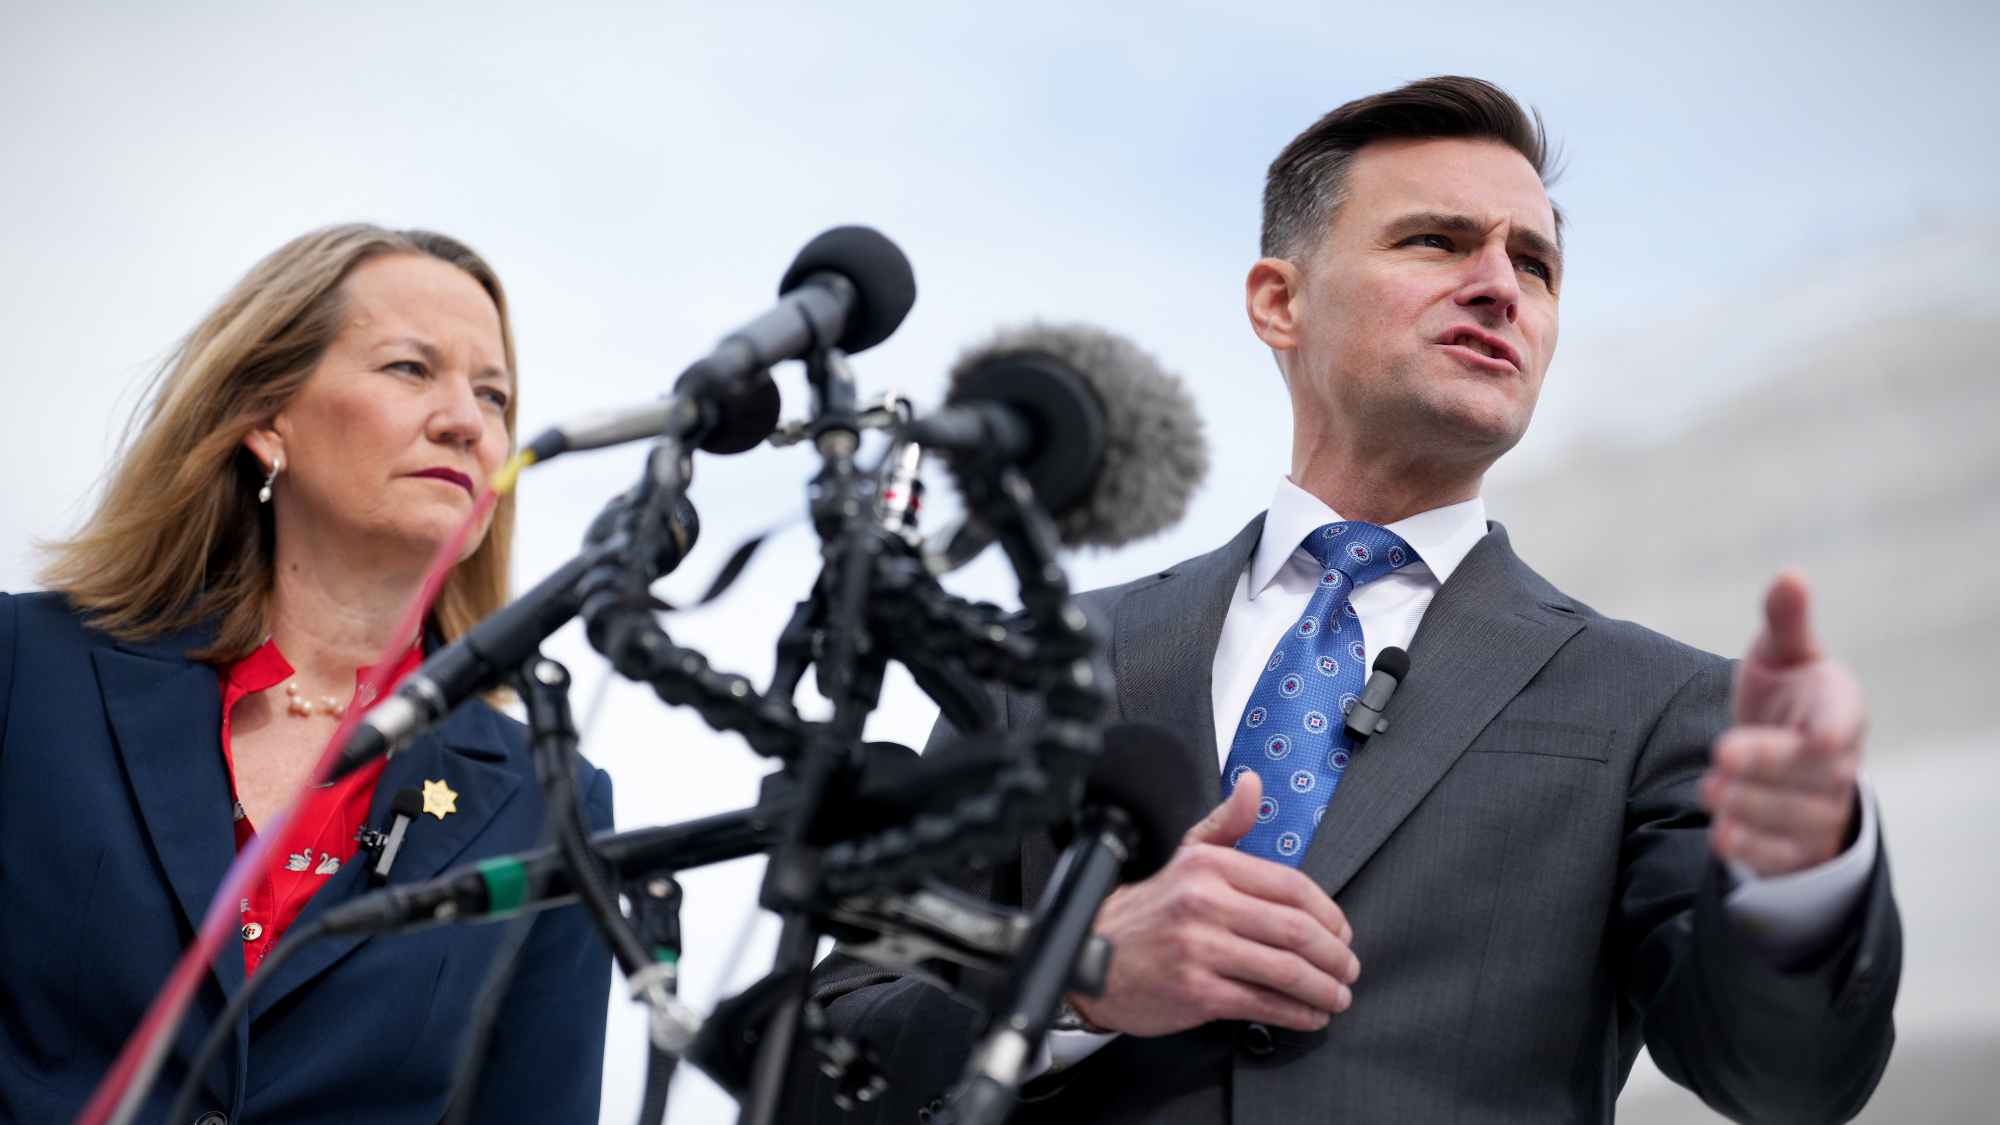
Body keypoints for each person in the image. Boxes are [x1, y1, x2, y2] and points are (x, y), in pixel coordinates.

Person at [788, 78, 1899, 1125]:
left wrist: (1801, 874)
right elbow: (826, 1053)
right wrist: (1073, 978)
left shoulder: (1661, 705)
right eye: (1434, 240)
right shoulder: (1033, 663)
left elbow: (1786, 1080)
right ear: (1278, 301)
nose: (1498, 286)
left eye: (1534, 264)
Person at [0, 224, 612, 1124]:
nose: (467, 421)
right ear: (265, 415)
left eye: (494, 394)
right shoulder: (26, 670)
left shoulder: (549, 801)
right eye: (411, 368)